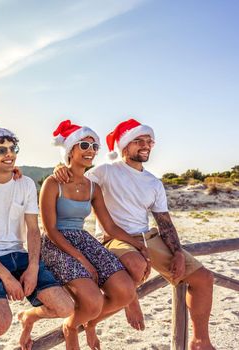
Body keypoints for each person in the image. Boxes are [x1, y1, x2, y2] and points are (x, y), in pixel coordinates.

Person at [55, 118, 215, 350]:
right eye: (138, 140)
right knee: (135, 265)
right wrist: (58, 168)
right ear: (124, 146)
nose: (146, 145)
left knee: (204, 279)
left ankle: (200, 341)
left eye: (149, 141)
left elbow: (164, 222)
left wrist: (178, 252)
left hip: (147, 238)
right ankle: (131, 300)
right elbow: (74, 176)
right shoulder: (106, 172)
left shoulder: (153, 183)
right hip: (114, 239)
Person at [0, 126, 75, 350]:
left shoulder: (26, 184)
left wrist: (32, 267)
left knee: (65, 308)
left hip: (21, 256)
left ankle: (29, 316)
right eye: (1, 150)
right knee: (1, 322)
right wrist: (7, 278)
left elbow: (33, 230)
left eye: (13, 148)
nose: (9, 154)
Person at [38, 120, 144, 350]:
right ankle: (71, 326)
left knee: (125, 291)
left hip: (83, 239)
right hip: (57, 243)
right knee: (94, 300)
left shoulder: (93, 186)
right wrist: (82, 259)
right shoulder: (52, 182)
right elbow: (50, 230)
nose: (91, 151)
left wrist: (138, 244)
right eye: (84, 145)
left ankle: (88, 322)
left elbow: (109, 226)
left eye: (95, 146)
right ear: (71, 150)